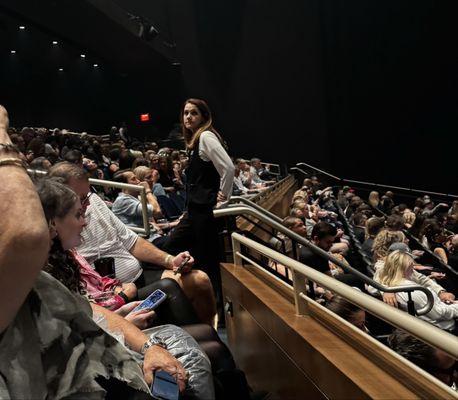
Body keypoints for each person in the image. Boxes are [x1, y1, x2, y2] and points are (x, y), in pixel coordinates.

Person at [0, 105, 215, 399]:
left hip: (110, 309)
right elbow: (27, 238)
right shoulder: (36, 259)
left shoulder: (83, 223)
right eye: (77, 208)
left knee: (197, 308)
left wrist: (166, 260)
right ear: (53, 215)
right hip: (92, 348)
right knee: (194, 349)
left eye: (86, 200)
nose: (85, 215)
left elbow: (88, 303)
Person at [48, 162, 217, 325]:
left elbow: (131, 239)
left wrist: (170, 260)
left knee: (200, 280)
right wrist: (118, 294)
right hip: (113, 294)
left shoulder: (94, 201)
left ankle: (204, 339)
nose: (88, 204)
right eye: (82, 199)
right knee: (170, 290)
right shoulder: (60, 236)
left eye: (88, 195)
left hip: (135, 278)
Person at [162, 99, 235, 305]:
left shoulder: (206, 136)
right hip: (195, 211)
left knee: (209, 262)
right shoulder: (196, 140)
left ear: (204, 116)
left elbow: (228, 168)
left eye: (193, 113)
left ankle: (217, 311)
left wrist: (224, 197)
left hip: (205, 212)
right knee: (178, 250)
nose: (188, 117)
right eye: (185, 113)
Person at [378, 250, 458, 332]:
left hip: (435, 319)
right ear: (407, 267)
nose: (413, 269)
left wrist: (441, 292)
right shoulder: (413, 291)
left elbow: (422, 279)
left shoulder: (392, 283)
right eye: (411, 266)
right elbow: (440, 314)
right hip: (445, 329)